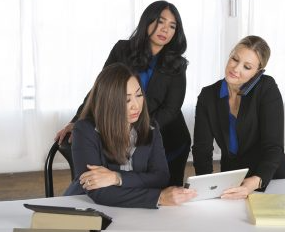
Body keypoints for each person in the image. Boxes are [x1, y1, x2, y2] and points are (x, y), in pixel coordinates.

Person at [56, 0, 191, 186]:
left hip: (167, 136)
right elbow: (100, 89)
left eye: (172, 26)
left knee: (165, 191)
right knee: (123, 185)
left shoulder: (178, 64)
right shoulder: (122, 50)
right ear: (148, 21)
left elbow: (171, 109)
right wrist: (77, 120)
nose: (165, 30)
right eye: (160, 22)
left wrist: (137, 129)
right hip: (125, 134)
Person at [64, 63, 196, 208]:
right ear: (109, 102)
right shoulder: (85, 130)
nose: (136, 106)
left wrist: (116, 178)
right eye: (127, 100)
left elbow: (161, 177)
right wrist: (157, 198)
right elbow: (98, 192)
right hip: (87, 207)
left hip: (134, 209)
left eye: (139, 95)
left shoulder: (151, 127)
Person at [191, 35, 285, 200]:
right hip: (233, 180)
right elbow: (202, 149)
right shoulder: (208, 96)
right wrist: (206, 187)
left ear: (257, 72)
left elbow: (274, 147)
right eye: (234, 59)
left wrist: (254, 182)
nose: (236, 69)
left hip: (268, 176)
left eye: (247, 67)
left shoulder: (267, 89)